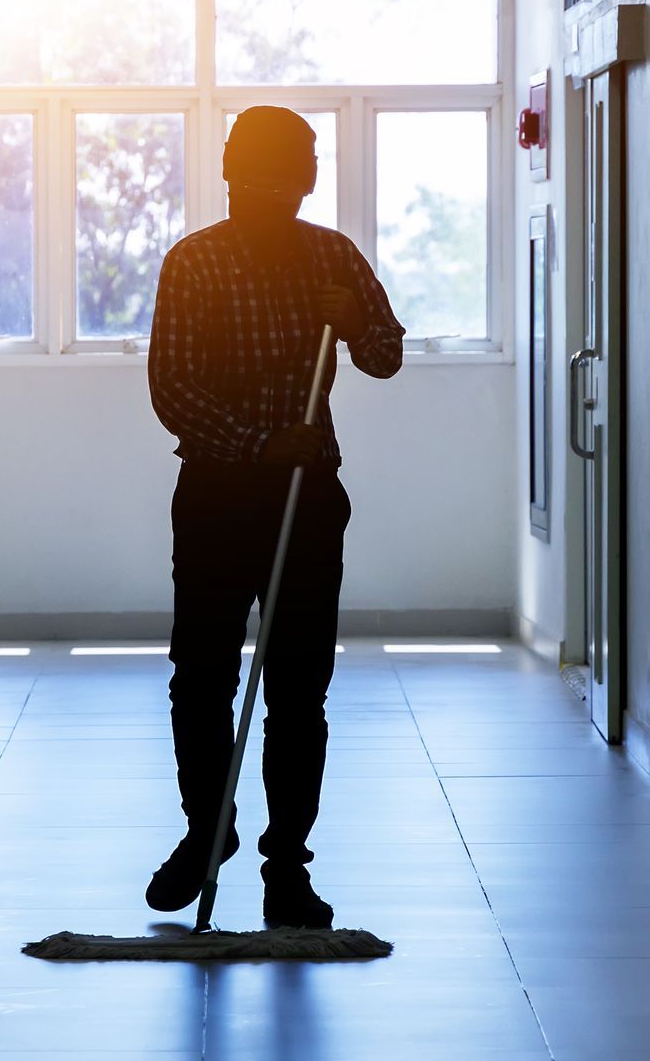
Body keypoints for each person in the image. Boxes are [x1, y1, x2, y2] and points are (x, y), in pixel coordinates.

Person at [144, 106, 405, 929]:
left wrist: (356, 322)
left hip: (309, 498)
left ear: (306, 181)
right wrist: (259, 444)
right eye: (258, 179)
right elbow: (173, 388)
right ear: (229, 175)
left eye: (289, 179)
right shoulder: (195, 263)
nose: (272, 195)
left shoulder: (333, 257)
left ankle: (287, 866)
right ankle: (206, 831)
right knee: (202, 676)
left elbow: (388, 356)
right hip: (218, 496)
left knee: (297, 687)